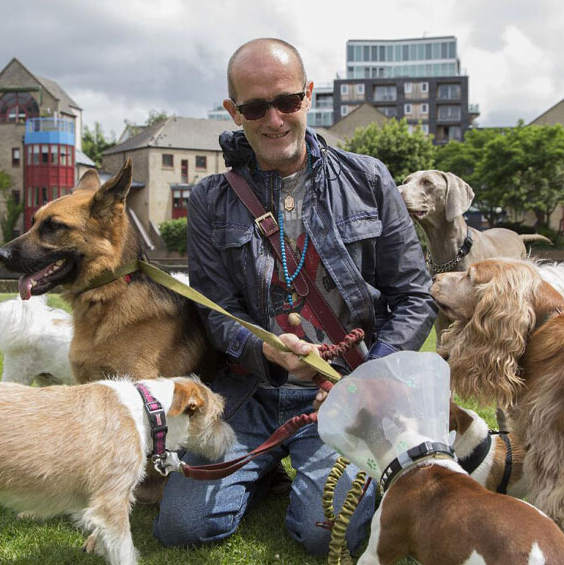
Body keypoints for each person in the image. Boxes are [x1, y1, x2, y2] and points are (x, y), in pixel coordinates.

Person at [152, 37, 436, 556]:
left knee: (326, 533)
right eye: (256, 108)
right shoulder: (210, 199)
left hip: (344, 391)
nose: (274, 119)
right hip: (249, 393)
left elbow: (415, 296)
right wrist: (263, 349)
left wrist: (369, 377)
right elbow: (216, 311)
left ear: (308, 96)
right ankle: (264, 472)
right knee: (181, 528)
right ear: (233, 111)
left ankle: (295, 468)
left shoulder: (369, 178)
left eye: (286, 101)